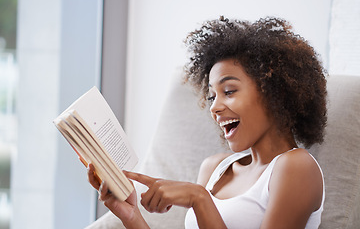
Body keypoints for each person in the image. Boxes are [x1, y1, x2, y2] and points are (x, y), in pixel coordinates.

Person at [87, 16, 327, 229]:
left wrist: (200, 199)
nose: (214, 107)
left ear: (274, 92)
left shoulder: (296, 167)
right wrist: (130, 216)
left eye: (229, 91)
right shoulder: (214, 168)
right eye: (212, 96)